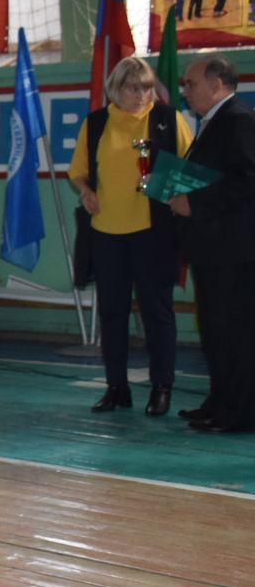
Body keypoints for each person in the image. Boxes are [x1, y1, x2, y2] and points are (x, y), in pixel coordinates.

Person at [67, 56, 191, 416]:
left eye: (147, 87)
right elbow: (78, 172)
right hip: (106, 231)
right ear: (115, 89)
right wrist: (86, 191)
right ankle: (116, 386)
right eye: (133, 87)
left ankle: (162, 388)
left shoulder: (169, 120)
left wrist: (165, 185)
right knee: (113, 313)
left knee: (157, 312)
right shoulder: (96, 123)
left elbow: (189, 167)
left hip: (154, 231)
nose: (141, 94)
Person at [173, 57, 255, 432]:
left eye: (190, 83)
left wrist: (195, 202)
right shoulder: (215, 122)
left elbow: (247, 181)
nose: (185, 91)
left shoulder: (238, 120)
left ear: (217, 83)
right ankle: (220, 400)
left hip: (233, 250)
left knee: (234, 332)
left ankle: (238, 412)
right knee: (215, 330)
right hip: (214, 249)